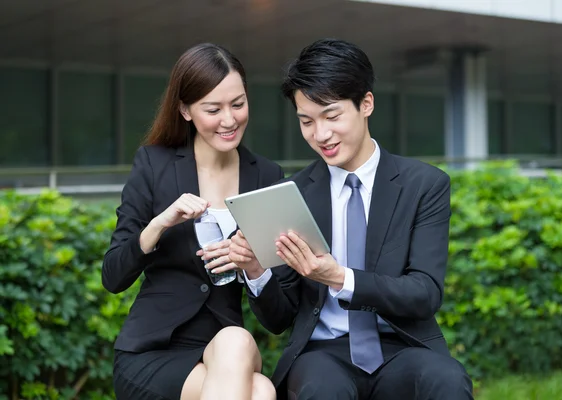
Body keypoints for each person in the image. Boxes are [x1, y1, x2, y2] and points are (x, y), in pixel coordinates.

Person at [229, 38, 474, 400]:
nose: (320, 135)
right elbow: (279, 319)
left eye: (331, 116)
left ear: (366, 104)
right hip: (323, 353)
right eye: (306, 121)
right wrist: (256, 270)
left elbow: (424, 294)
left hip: (402, 346)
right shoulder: (294, 194)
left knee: (447, 381)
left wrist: (339, 278)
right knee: (321, 389)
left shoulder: (424, 185)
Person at [102, 43, 281, 400]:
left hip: (225, 351)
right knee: (259, 390)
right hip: (151, 352)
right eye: (213, 109)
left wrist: (255, 267)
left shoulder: (266, 176)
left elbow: (279, 318)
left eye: (239, 104)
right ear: (185, 110)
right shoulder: (154, 164)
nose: (229, 120)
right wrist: (159, 224)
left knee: (237, 343)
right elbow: (113, 276)